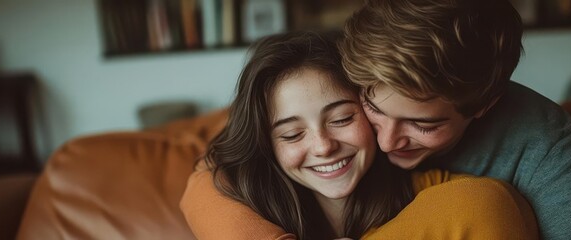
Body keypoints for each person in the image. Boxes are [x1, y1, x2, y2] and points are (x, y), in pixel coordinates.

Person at [181, 31, 538, 239]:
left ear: (371, 109)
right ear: (267, 144)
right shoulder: (241, 197)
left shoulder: (424, 189)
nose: (323, 146)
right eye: (291, 134)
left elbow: (498, 210)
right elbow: (200, 185)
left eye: (341, 119)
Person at [338, 0, 571, 239]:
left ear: (484, 105)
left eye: (423, 125)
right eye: (373, 108)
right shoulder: (333, 99)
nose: (386, 143)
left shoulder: (547, 148)